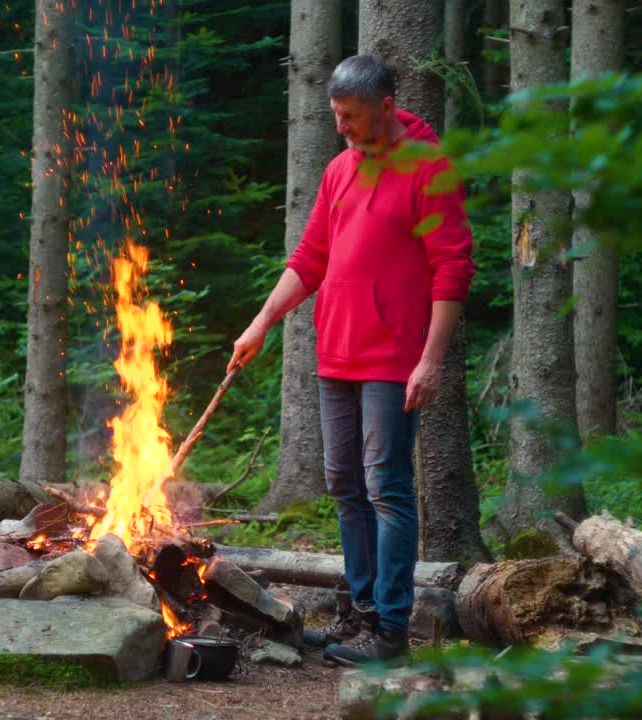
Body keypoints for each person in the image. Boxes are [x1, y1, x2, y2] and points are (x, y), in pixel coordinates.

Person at [226, 55, 474, 665]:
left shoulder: (428, 168)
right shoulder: (340, 170)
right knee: (344, 486)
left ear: (386, 108)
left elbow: (453, 266)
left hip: (394, 359)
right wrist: (261, 323)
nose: (342, 128)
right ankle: (359, 613)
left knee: (386, 487)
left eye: (352, 117)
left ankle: (390, 629)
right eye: (336, 116)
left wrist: (431, 359)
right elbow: (310, 257)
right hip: (336, 355)